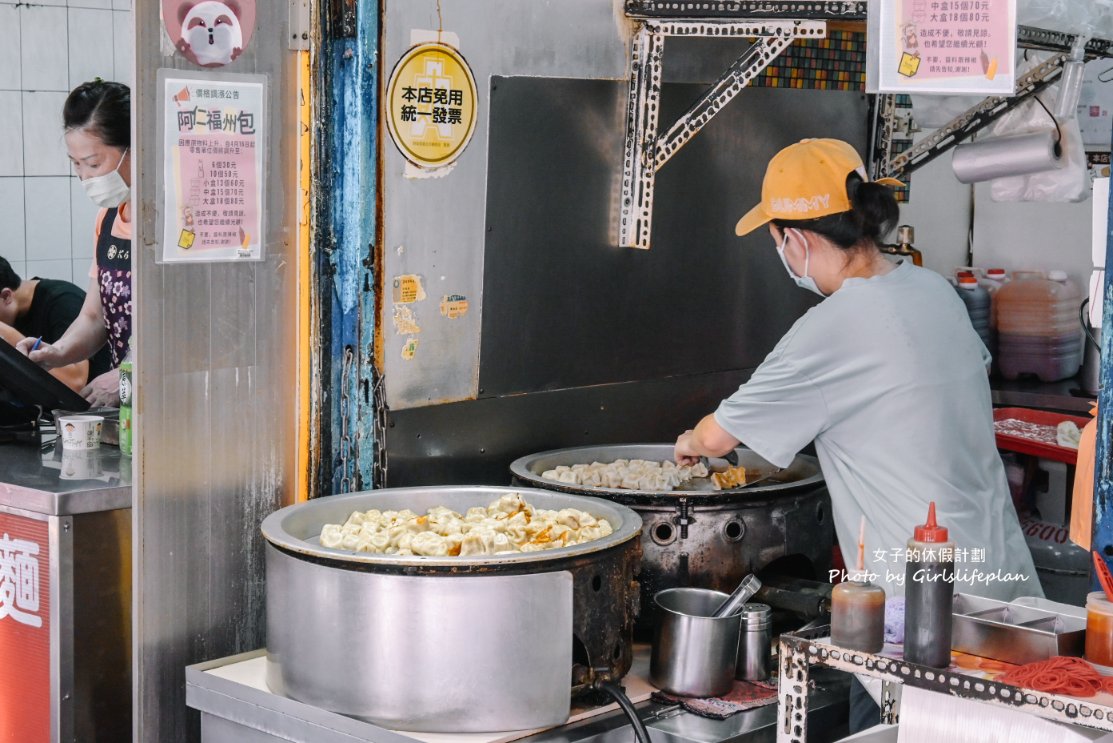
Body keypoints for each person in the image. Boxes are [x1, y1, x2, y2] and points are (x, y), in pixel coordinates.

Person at [672, 139, 1039, 728]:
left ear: (796, 239)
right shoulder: (934, 291)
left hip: (920, 625)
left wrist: (688, 442)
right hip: (1007, 594)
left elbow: (717, 439)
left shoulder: (832, 328)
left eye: (775, 243)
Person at [17, 80, 132, 408]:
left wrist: (132, 375)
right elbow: (95, 317)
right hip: (124, 407)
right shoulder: (107, 220)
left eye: (93, 164)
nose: (84, 176)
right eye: (76, 164)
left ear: (135, 147)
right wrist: (58, 353)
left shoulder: (180, 225)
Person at [0, 257, 112, 391]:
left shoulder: (64, 302)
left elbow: (76, 381)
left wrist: (9, 336)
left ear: (6, 296)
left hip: (96, 406)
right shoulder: (13, 314)